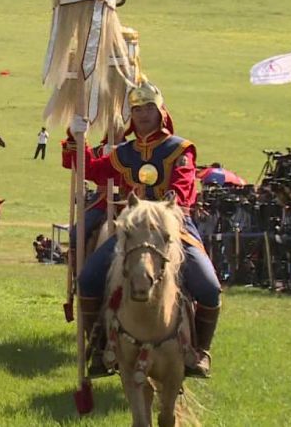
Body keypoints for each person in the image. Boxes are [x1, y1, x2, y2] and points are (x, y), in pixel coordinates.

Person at [62, 79, 220, 378]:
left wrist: (171, 201)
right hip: (133, 231)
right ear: (131, 117)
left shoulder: (180, 148)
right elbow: (92, 170)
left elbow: (184, 183)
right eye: (137, 110)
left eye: (149, 108)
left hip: (172, 228)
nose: (143, 114)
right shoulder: (124, 153)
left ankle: (198, 353)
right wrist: (77, 138)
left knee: (209, 287)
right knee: (89, 279)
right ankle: (99, 347)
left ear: (161, 112)